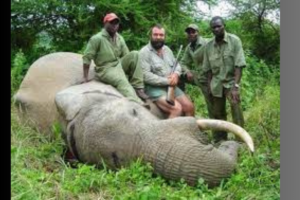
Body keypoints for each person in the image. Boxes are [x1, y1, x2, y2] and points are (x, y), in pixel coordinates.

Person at [82, 13, 149, 105]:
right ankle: (137, 103)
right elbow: (87, 57)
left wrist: (128, 70)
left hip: (118, 64)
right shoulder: (97, 39)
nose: (114, 25)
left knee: (135, 54)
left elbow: (127, 55)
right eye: (111, 22)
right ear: (105, 23)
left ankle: (138, 87)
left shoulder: (119, 38)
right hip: (105, 69)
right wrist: (85, 78)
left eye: (116, 23)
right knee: (122, 81)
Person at [203, 16, 246, 142]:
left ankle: (240, 140)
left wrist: (235, 87)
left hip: (231, 82)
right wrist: (209, 85)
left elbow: (239, 65)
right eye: (213, 27)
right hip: (216, 84)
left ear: (224, 26)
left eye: (219, 26)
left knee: (236, 110)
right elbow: (208, 69)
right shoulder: (209, 46)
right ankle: (221, 139)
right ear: (211, 29)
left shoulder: (234, 41)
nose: (216, 29)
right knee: (218, 113)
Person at [138, 24, 195, 118]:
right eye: (155, 34)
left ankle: (187, 132)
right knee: (177, 109)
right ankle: (168, 133)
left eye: (161, 35)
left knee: (189, 107)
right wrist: (167, 81)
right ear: (151, 36)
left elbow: (177, 65)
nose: (158, 37)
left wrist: (176, 74)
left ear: (164, 37)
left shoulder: (167, 50)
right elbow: (145, 76)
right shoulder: (144, 52)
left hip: (171, 86)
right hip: (153, 88)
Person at [179, 24, 213, 119]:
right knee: (178, 76)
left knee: (212, 104)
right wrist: (187, 71)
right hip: (198, 76)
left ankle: (217, 129)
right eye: (188, 32)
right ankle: (182, 100)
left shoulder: (207, 42)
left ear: (198, 33)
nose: (190, 34)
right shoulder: (189, 47)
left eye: (193, 32)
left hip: (210, 77)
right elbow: (182, 63)